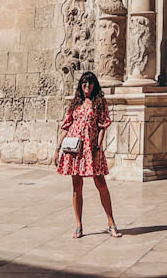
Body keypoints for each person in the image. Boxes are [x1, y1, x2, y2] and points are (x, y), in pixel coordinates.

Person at [54, 72, 122, 239]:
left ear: (94, 85)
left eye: (90, 84)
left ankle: (111, 223)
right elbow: (65, 126)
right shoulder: (75, 103)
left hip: (91, 149)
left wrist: (98, 148)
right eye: (84, 83)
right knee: (77, 186)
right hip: (75, 150)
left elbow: (102, 127)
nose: (87, 87)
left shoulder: (99, 103)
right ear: (80, 85)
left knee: (101, 183)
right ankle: (79, 225)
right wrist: (57, 148)